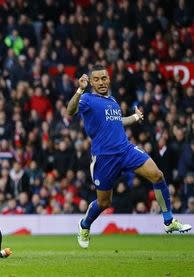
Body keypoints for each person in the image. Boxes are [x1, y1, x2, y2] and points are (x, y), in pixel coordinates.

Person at [66, 64, 192, 249]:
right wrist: (79, 90)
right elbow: (70, 111)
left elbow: (117, 121)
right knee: (104, 202)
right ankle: (84, 225)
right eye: (97, 79)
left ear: (109, 79)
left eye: (104, 78)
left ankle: (169, 221)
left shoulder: (113, 101)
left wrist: (133, 118)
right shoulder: (87, 99)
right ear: (91, 82)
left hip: (125, 150)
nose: (101, 82)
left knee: (157, 175)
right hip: (104, 157)